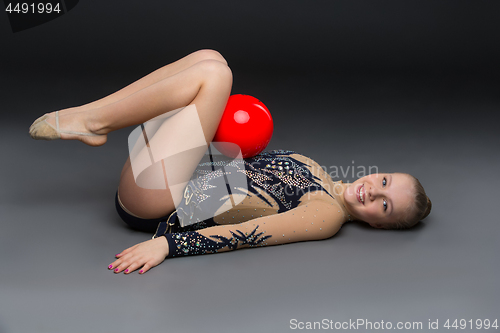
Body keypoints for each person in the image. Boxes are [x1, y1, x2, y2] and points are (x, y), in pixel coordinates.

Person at [29, 49, 432, 275]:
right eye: (385, 181)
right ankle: (92, 119)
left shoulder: (325, 214)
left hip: (158, 203)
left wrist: (168, 247)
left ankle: (91, 119)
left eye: (384, 204)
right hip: (164, 171)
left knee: (216, 78)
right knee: (212, 59)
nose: (373, 191)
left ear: (382, 225)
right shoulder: (313, 165)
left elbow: (253, 231)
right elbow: (232, 157)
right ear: (379, 172)